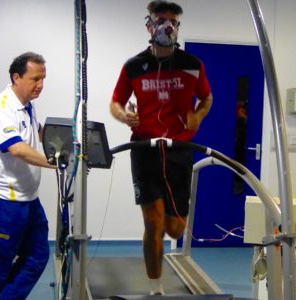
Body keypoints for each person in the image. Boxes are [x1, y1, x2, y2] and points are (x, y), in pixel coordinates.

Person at [110, 0, 213, 295]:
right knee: (153, 222)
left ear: (177, 27)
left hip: (180, 150)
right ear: (149, 25)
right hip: (145, 149)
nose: (166, 26)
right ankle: (156, 288)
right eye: (160, 20)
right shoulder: (133, 66)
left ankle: (172, 231)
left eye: (171, 21)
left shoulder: (193, 65)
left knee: (174, 228)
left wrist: (198, 115)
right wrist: (124, 115)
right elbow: (116, 101)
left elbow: (207, 98)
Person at [0, 52, 55, 300]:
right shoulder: (1, 106)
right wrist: (58, 164)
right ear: (16, 77)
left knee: (39, 255)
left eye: (43, 78)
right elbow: (17, 148)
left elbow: (38, 132)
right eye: (35, 79)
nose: (40, 85)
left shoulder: (27, 107)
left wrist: (69, 139)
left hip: (28, 200)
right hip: (3, 203)